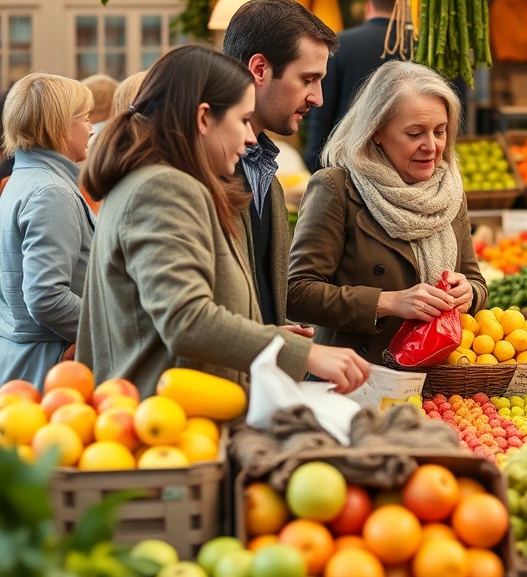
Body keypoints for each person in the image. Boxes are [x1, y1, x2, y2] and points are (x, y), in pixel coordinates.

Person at [78, 44, 370, 396]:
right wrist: (305, 353)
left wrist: (270, 336)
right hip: (167, 424)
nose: (250, 138)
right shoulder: (163, 188)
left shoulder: (170, 183)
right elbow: (186, 319)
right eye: (243, 120)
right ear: (203, 119)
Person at [288, 60, 487, 365]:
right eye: (414, 133)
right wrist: (389, 302)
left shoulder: (448, 191)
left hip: (435, 382)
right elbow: (297, 293)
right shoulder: (337, 188)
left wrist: (469, 293)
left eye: (440, 131)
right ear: (377, 132)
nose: (431, 146)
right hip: (356, 379)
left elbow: (475, 280)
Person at [222, 0, 339, 330]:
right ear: (260, 69)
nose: (318, 98)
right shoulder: (201, 168)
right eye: (307, 79)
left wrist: (274, 331)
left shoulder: (266, 173)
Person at [0, 73, 95, 387]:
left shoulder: (26, 180)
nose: (92, 128)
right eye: (85, 118)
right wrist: (108, 328)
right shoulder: (51, 191)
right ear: (60, 127)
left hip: (28, 359)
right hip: (48, 368)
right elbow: (45, 297)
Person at [303, 0, 401, 171]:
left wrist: (315, 160)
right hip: (404, 166)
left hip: (347, 165)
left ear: (368, 6)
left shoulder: (341, 44)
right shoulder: (422, 46)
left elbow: (322, 110)